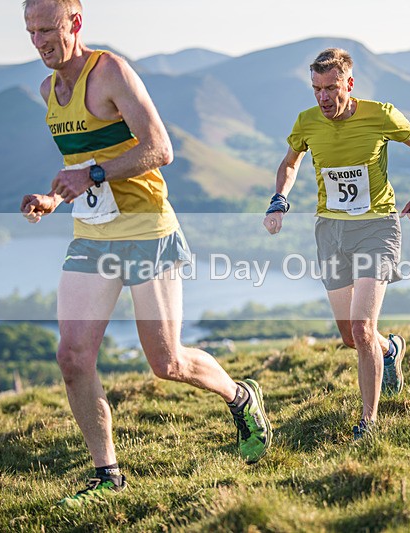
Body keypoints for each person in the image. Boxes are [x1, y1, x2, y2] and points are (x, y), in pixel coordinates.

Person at [20, 0, 271, 506]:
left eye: (47, 28)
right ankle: (107, 475)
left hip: (147, 231)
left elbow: (160, 148)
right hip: (92, 234)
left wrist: (91, 175)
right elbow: (82, 164)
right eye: (31, 30)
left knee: (167, 362)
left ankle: (241, 396)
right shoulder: (49, 91)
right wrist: (53, 198)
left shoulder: (109, 72)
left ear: (75, 23)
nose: (39, 41)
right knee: (72, 356)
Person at [263, 48, 410, 439]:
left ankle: (368, 423)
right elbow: (290, 163)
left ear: (349, 84)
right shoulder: (307, 121)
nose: (323, 97)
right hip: (331, 231)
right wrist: (279, 200)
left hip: (377, 228)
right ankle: (391, 350)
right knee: (350, 337)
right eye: (316, 89)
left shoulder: (381, 114)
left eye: (331, 88)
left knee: (362, 329)